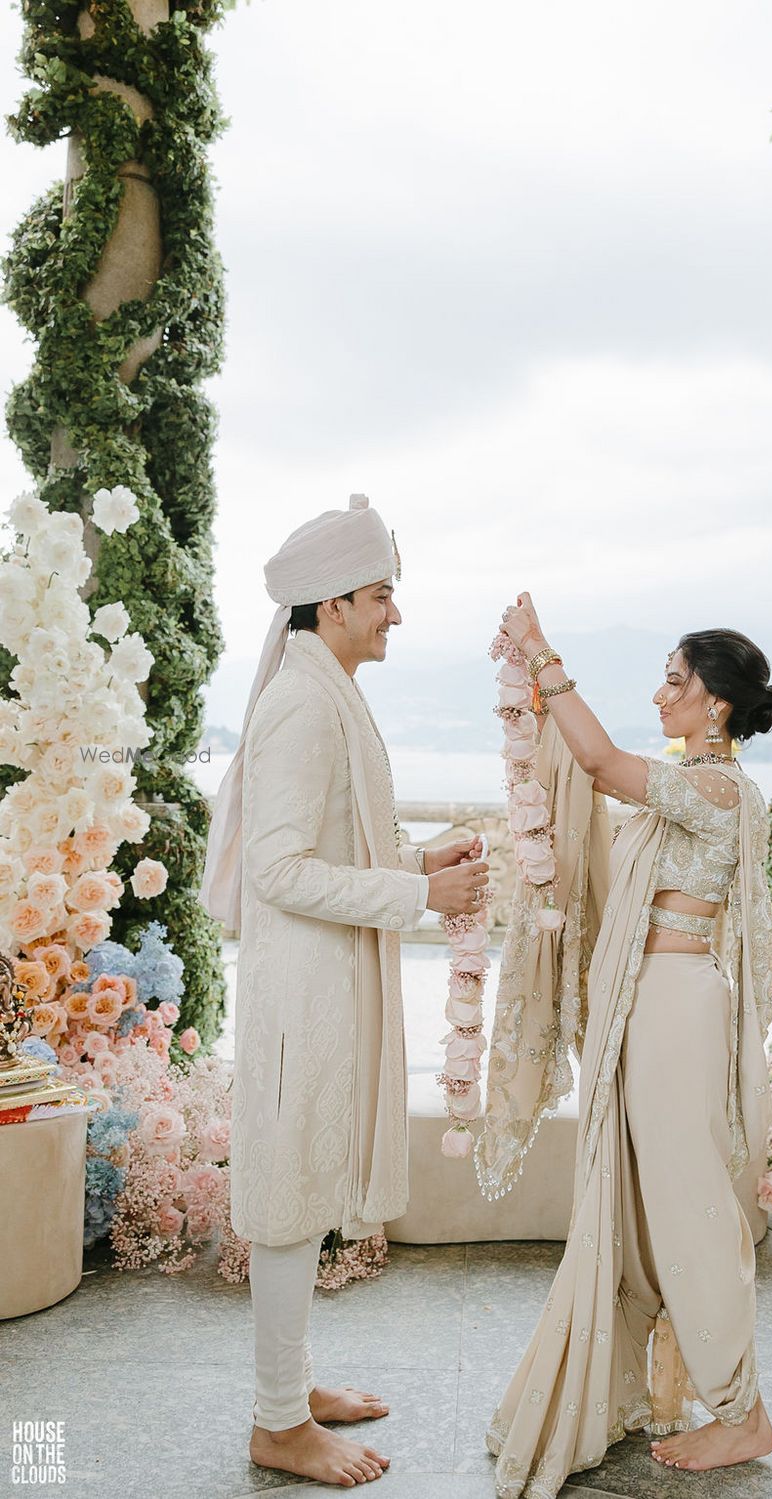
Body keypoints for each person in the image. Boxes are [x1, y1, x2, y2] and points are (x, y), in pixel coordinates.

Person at [199, 496, 489, 1488]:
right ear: (329, 604)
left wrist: (419, 855)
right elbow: (279, 869)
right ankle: (277, 1421)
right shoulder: (300, 703)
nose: (393, 614)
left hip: (328, 987)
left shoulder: (323, 687)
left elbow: (330, 848)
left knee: (309, 1182)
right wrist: (419, 892)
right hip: (304, 995)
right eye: (380, 595)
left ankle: (295, 1384)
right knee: (287, 1200)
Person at [478, 592, 772, 1496]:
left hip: (678, 1006)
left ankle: (742, 1410)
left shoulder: (714, 788)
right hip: (655, 999)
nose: (662, 695)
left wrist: (545, 660)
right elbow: (605, 774)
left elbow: (602, 762)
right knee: (653, 1206)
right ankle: (676, 1384)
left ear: (715, 703)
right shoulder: (696, 783)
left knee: (688, 1205)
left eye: (674, 681)